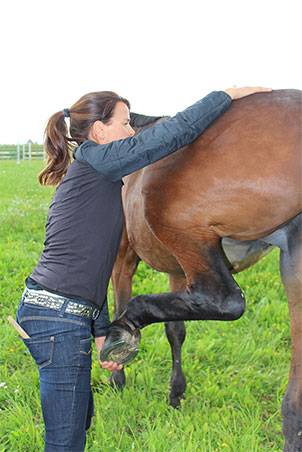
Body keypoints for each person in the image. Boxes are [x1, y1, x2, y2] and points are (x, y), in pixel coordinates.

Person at [16, 85, 271, 451]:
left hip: (62, 313)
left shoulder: (93, 179)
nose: (132, 131)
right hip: (57, 320)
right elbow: (171, 135)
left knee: (78, 423)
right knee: (64, 439)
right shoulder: (94, 163)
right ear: (100, 132)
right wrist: (225, 95)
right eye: (124, 123)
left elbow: (90, 268)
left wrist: (101, 329)